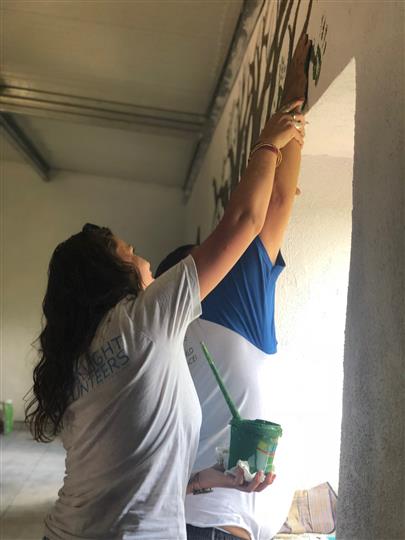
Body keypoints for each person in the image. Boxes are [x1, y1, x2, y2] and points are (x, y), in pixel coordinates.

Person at [25, 99, 305, 539]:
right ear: (112, 276)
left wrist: (212, 480)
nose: (146, 259)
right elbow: (246, 220)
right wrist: (268, 144)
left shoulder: (81, 358)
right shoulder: (144, 321)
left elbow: (134, 476)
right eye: (131, 253)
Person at [155, 35, 311, 540]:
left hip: (176, 516)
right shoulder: (233, 296)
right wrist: (292, 93)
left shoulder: (152, 332)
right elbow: (280, 201)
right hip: (217, 525)